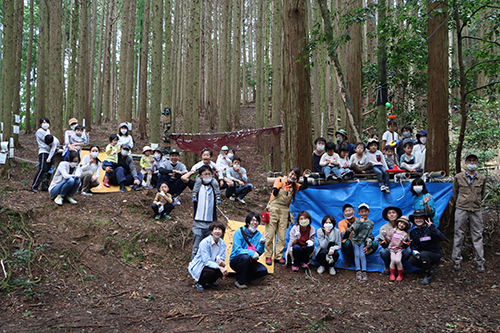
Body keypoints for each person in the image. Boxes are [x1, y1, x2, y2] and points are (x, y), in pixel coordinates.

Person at [264, 167, 308, 265]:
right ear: (288, 173)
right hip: (274, 209)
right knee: (270, 233)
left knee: (282, 234)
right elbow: (275, 193)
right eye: (292, 174)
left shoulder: (294, 185)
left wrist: (305, 177)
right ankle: (268, 256)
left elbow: (304, 187)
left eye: (295, 176)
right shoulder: (279, 180)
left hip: (284, 210)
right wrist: (279, 186)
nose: (293, 176)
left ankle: (279, 256)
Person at [451, 153, 486, 273]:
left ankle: (480, 262)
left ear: (477, 163)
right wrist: (460, 203)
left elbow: (482, 193)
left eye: (474, 161)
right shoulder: (458, 177)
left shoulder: (481, 178)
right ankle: (456, 261)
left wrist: (477, 202)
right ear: (465, 163)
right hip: (461, 208)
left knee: (478, 235)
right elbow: (455, 193)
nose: (472, 163)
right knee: (458, 234)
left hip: (476, 209)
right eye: (469, 161)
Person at [182, 165, 219, 259]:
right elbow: (183, 178)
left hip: (211, 222)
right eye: (205, 174)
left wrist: (219, 175)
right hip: (198, 222)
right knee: (197, 245)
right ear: (200, 176)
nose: (207, 176)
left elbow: (230, 183)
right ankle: (194, 264)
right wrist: (192, 172)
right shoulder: (196, 185)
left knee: (210, 246)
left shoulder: (214, 185)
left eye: (209, 174)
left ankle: (208, 265)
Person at [230, 213, 268, 289]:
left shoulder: (259, 235)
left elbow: (258, 253)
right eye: (253, 220)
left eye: (257, 221)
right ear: (248, 222)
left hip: (251, 262)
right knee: (245, 258)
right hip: (236, 260)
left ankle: (244, 277)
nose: (255, 222)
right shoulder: (239, 232)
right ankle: (240, 282)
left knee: (263, 270)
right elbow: (237, 250)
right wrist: (251, 253)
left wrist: (261, 244)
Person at [188, 221, 228, 291]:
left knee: (219, 269)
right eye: (215, 229)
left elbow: (222, 257)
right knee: (212, 271)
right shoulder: (205, 242)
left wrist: (221, 263)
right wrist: (219, 267)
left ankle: (210, 282)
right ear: (211, 232)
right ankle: (200, 283)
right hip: (201, 265)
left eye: (219, 229)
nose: (217, 231)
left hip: (213, 264)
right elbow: (206, 261)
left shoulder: (222, 243)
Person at [409, 209, 445, 285]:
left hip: (433, 254)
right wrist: (414, 250)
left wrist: (432, 228)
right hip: (421, 254)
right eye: (416, 218)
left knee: (424, 254)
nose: (418, 220)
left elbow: (442, 238)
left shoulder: (430, 229)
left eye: (420, 218)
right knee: (412, 260)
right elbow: (412, 245)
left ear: (424, 219)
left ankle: (428, 275)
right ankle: (424, 269)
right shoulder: (413, 232)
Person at [338, 203, 378, 268]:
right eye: (346, 211)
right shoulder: (341, 223)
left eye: (350, 210)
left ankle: (362, 257)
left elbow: (369, 234)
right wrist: (349, 230)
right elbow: (343, 236)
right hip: (350, 243)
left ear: (354, 211)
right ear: (343, 213)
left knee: (374, 244)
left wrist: (369, 241)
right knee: (346, 243)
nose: (348, 212)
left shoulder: (360, 220)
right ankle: (349, 257)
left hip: (361, 242)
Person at [378, 206, 411, 274]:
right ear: (387, 216)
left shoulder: (403, 226)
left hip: (400, 249)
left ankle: (401, 265)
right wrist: (383, 243)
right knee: (383, 251)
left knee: (408, 251)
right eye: (389, 213)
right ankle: (387, 266)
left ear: (397, 214)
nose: (392, 214)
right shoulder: (383, 228)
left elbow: (407, 239)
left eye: (393, 212)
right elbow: (384, 241)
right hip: (390, 248)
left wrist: (405, 243)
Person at [349, 203, 374, 282]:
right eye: (362, 212)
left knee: (362, 255)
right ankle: (358, 270)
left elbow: (369, 234)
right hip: (356, 240)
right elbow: (354, 230)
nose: (363, 213)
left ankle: (364, 271)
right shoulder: (356, 221)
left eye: (365, 211)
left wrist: (367, 244)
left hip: (363, 241)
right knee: (357, 254)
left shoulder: (370, 223)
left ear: (368, 212)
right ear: (359, 213)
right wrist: (360, 222)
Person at [385, 216, 410, 281]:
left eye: (404, 224)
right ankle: (392, 274)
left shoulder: (404, 234)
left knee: (398, 260)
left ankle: (400, 274)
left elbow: (404, 243)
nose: (401, 225)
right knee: (393, 260)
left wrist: (405, 243)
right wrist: (385, 235)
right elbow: (389, 239)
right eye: (401, 222)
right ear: (398, 222)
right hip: (392, 249)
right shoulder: (392, 231)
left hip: (399, 249)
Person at [32, 117, 53, 192]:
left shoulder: (48, 131)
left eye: (46, 122)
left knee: (48, 170)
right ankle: (35, 186)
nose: (45, 124)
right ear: (40, 124)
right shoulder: (40, 131)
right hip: (43, 151)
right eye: (43, 122)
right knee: (42, 169)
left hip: (49, 152)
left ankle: (45, 186)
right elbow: (48, 140)